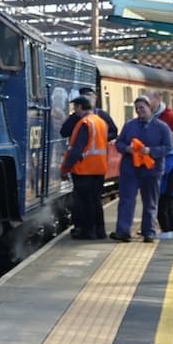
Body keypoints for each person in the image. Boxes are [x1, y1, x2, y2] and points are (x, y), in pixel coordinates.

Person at [112, 95, 173, 243]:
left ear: (149, 108)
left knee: (150, 202)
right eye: (137, 108)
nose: (139, 111)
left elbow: (168, 147)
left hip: (152, 170)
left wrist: (150, 151)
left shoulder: (162, 127)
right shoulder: (129, 125)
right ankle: (123, 231)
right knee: (126, 200)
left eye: (142, 107)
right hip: (130, 169)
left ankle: (149, 232)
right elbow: (118, 143)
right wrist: (127, 148)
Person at [60, 95, 108, 240]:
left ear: (80, 107)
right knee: (96, 201)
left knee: (85, 202)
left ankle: (89, 231)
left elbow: (77, 149)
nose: (74, 111)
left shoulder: (85, 123)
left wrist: (65, 168)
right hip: (99, 168)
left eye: (75, 108)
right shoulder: (100, 122)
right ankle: (100, 231)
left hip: (84, 169)